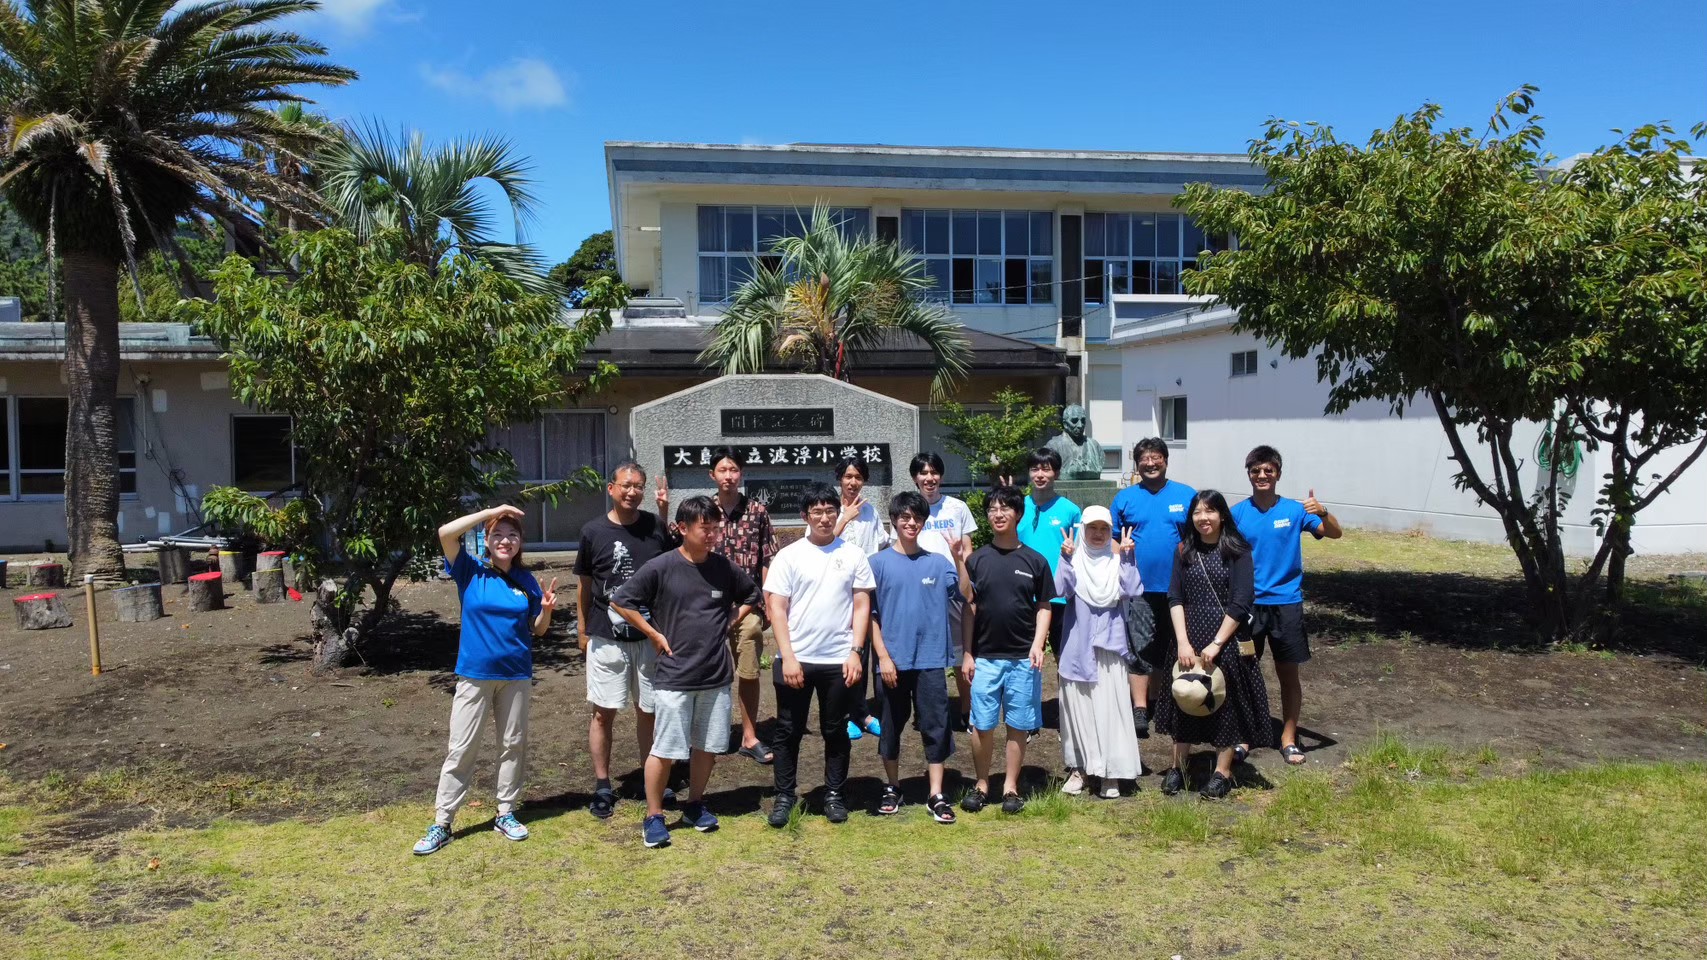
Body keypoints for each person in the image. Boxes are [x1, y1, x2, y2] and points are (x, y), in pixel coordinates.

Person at [611, 496, 760, 849]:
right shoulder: (662, 567)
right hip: (675, 675)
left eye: (715, 527)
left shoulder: (723, 567)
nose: (711, 535)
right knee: (665, 748)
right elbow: (621, 600)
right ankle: (654, 815)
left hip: (715, 674)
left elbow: (751, 593)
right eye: (703, 528)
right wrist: (653, 633)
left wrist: (730, 620)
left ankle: (695, 804)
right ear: (682, 529)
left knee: (706, 747)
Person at [413, 504, 555, 855]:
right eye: (497, 535)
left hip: (516, 675)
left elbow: (536, 631)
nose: (505, 541)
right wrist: (492, 511)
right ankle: (442, 822)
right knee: (462, 747)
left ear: (521, 542)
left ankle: (505, 812)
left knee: (512, 744)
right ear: (487, 540)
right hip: (474, 675)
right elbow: (446, 532)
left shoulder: (527, 582)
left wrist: (547, 610)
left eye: (512, 535)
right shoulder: (470, 569)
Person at [764, 483, 876, 827]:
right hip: (797, 658)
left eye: (830, 511)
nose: (825, 518)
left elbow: (861, 605)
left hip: (839, 660)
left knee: (835, 730)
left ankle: (834, 795)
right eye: (817, 512)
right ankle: (784, 796)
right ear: (805, 517)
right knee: (788, 730)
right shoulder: (789, 555)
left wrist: (856, 652)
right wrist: (788, 657)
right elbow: (777, 609)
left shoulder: (853, 554)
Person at [573, 461, 678, 819]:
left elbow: (670, 570)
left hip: (649, 636)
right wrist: (582, 630)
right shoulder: (593, 531)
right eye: (626, 485)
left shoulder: (654, 527)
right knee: (603, 713)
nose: (632, 491)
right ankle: (603, 784)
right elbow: (585, 585)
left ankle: (654, 781)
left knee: (648, 710)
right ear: (611, 489)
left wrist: (664, 511)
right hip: (607, 635)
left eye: (638, 486)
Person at [1153, 490, 1273, 800]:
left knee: (1224, 705)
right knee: (1185, 697)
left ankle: (1223, 771)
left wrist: (1217, 643)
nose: (1203, 518)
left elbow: (1241, 601)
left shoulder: (1237, 551)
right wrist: (1182, 641)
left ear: (1222, 516)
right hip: (1188, 639)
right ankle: (1177, 768)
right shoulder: (1184, 550)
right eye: (1197, 512)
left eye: (1210, 512)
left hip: (1225, 640)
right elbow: (1175, 597)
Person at [1229, 445, 1343, 765]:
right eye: (1256, 471)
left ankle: (1288, 738)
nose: (1262, 475)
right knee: (1244, 673)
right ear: (1249, 474)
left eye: (1269, 470)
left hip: (1286, 606)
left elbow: (1335, 533)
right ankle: (1243, 736)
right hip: (1249, 608)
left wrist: (1321, 511)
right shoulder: (1237, 514)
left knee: (1287, 674)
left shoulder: (1295, 511)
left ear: (1278, 473)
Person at [868, 491, 973, 823]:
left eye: (917, 518)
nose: (910, 523)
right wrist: (882, 656)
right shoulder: (877, 563)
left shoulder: (938, 563)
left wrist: (959, 558)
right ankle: (892, 786)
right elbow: (868, 615)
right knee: (890, 725)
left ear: (924, 523)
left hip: (930, 659)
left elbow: (967, 595)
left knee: (936, 725)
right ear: (894, 521)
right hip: (892, 662)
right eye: (904, 518)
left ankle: (936, 793)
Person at [961, 485, 1056, 815]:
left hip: (1022, 659)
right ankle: (982, 783)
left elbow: (1045, 605)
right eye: (992, 509)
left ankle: (1011, 786)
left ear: (1018, 514)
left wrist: (1038, 644)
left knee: (1018, 724)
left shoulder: (1034, 560)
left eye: (1004, 508)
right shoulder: (977, 560)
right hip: (985, 656)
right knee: (982, 724)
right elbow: (969, 607)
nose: (997, 514)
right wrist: (968, 653)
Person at [1109, 437, 1197, 738]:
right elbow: (1110, 538)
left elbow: (1198, 536)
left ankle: (1164, 703)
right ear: (1137, 464)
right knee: (1139, 647)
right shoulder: (1125, 499)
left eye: (1156, 457)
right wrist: (1120, 551)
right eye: (1144, 458)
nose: (1150, 463)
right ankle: (1140, 709)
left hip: (1178, 589)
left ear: (1166, 460)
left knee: (1173, 647)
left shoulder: (1186, 496)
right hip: (1137, 588)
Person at [1054, 506, 1143, 799]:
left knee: (1110, 710)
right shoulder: (1074, 561)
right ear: (1083, 530)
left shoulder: (1117, 561)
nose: (1098, 534)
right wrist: (1065, 558)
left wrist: (1128, 557)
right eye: (1092, 528)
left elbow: (1133, 589)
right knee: (1078, 710)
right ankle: (1080, 768)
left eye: (1104, 528)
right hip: (1077, 648)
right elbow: (1061, 589)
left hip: (1109, 649)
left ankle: (1109, 773)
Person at [704, 447, 778, 764]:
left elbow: (767, 560)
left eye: (734, 470)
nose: (729, 476)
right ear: (713, 475)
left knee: (748, 668)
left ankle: (749, 736)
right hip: (707, 607)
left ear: (741, 474)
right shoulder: (703, 512)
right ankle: (708, 736)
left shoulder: (758, 512)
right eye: (723, 470)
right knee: (705, 674)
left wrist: (766, 603)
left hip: (747, 606)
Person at [910, 451, 977, 731]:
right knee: (922, 655)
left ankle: (966, 710)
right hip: (920, 593)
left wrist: (966, 575)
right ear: (915, 478)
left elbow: (968, 548)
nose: (929, 478)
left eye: (934, 472)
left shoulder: (957, 507)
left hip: (953, 591)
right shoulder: (909, 507)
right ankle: (927, 713)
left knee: (963, 652)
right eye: (923, 473)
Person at [831, 455, 889, 742]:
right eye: (848, 476)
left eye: (858, 477)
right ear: (839, 479)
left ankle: (861, 712)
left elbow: (883, 545)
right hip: (837, 593)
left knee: (862, 651)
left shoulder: (871, 512)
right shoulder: (828, 510)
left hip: (865, 592)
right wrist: (843, 518)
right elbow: (819, 540)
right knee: (843, 652)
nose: (853, 482)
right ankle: (844, 713)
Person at [1017, 447, 1082, 662]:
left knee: (1064, 655)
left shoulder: (1070, 510)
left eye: (1046, 469)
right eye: (1035, 469)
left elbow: (1080, 549)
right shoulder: (1017, 507)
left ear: (1057, 473)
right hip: (1023, 592)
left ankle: (1066, 697)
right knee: (1023, 654)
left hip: (1058, 593)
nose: (1040, 475)